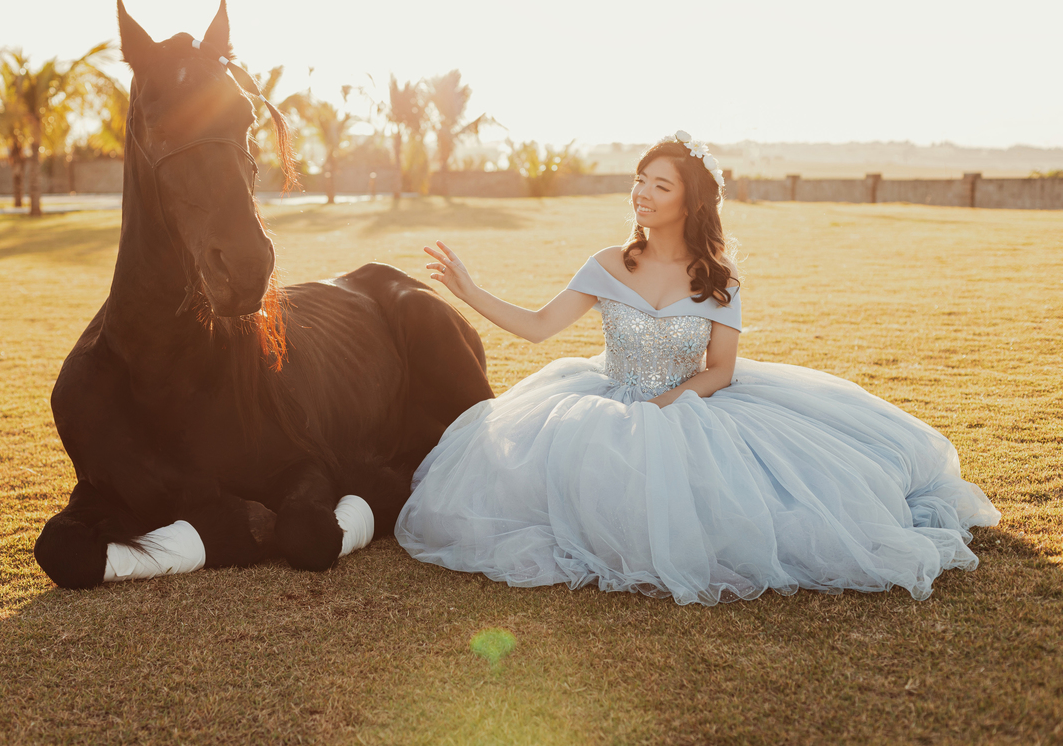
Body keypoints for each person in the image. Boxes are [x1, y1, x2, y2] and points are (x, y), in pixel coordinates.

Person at [395, 132, 1000, 606]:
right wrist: (468, 289)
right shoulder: (608, 264)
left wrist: (661, 411)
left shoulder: (718, 278)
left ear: (689, 199)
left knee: (749, 511)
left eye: (659, 184)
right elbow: (536, 326)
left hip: (692, 406)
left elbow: (721, 372)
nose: (643, 193)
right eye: (639, 180)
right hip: (606, 397)